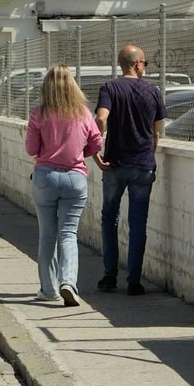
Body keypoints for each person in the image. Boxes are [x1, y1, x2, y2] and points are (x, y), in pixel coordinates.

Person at [25, 65, 102, 307]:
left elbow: (31, 150)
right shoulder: (83, 113)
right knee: (68, 234)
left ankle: (48, 290)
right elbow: (96, 143)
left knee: (47, 234)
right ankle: (68, 282)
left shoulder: (39, 113)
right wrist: (81, 152)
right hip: (75, 178)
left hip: (46, 177)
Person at [93, 45, 167, 296]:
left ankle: (109, 275)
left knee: (109, 218)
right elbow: (157, 130)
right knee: (138, 224)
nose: (145, 66)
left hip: (114, 164)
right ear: (136, 64)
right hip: (143, 165)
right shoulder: (153, 91)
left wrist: (96, 150)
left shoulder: (110, 88)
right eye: (144, 62)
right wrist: (150, 147)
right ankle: (134, 280)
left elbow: (101, 118)